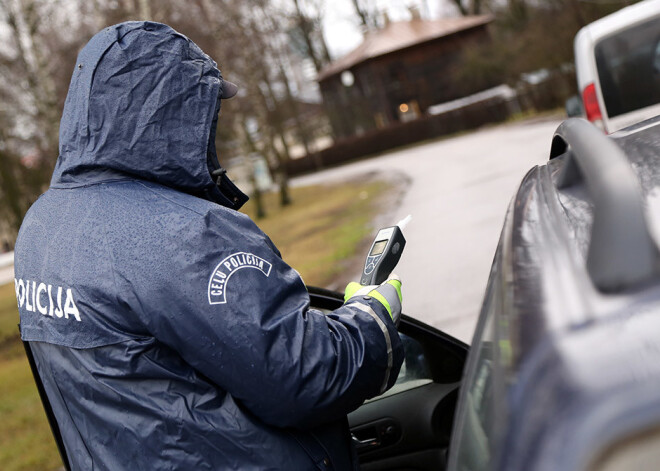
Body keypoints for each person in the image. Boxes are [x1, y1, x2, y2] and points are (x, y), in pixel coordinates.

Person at [14, 21, 404, 470]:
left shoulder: (42, 228)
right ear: (176, 113)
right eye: (205, 110)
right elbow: (305, 377)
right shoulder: (187, 235)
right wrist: (372, 321)